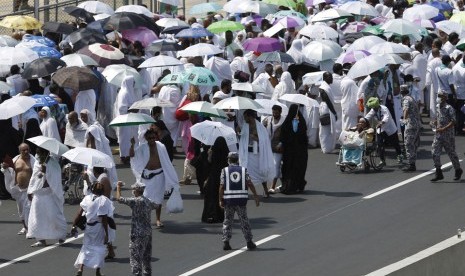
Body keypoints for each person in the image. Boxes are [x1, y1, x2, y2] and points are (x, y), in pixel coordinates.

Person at [130, 129, 180, 229]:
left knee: (158, 199)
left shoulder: (161, 146)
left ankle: (158, 219)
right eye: (149, 138)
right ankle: (146, 219)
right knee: (145, 198)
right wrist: (132, 145)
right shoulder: (143, 147)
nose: (152, 140)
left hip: (159, 175)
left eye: (153, 137)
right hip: (147, 176)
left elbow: (166, 161)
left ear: (156, 137)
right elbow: (132, 155)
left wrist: (170, 175)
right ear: (146, 139)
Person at [26, 146, 67, 247]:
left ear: (46, 153)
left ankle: (61, 235)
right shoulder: (37, 162)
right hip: (38, 194)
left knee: (54, 215)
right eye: (38, 154)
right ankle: (41, 239)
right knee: (37, 217)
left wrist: (46, 171)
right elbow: (35, 178)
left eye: (41, 153)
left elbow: (54, 180)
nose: (39, 156)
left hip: (50, 194)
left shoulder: (53, 164)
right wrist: (29, 191)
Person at [115, 181, 158, 276]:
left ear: (137, 190)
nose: (133, 191)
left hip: (137, 234)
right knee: (146, 257)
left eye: (134, 189)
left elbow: (119, 199)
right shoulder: (147, 201)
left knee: (135, 258)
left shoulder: (135, 201)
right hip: (147, 232)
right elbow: (157, 205)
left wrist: (118, 187)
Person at [220, 152, 260, 251]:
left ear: (228, 160)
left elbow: (221, 186)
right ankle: (249, 242)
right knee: (244, 220)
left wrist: (220, 199)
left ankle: (226, 242)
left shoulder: (224, 170)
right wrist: (255, 196)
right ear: (238, 160)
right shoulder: (243, 170)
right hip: (241, 200)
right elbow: (249, 183)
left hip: (229, 200)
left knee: (228, 220)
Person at [73, 182, 113, 276]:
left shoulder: (87, 198)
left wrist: (74, 225)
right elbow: (103, 219)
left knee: (86, 247)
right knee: (99, 248)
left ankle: (80, 269)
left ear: (92, 190)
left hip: (89, 227)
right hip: (98, 228)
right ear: (102, 191)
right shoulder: (104, 201)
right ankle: (97, 272)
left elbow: (79, 214)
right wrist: (107, 234)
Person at [238, 109, 275, 198]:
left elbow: (265, 140)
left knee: (261, 173)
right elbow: (242, 139)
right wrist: (240, 133)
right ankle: (244, 192)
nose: (244, 119)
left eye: (246, 117)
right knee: (246, 173)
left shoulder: (260, 127)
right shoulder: (245, 126)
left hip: (258, 155)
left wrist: (256, 138)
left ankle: (266, 191)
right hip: (248, 154)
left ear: (250, 117)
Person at [1, 143, 35, 235]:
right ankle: (25, 227)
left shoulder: (33, 161)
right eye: (23, 150)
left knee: (29, 209)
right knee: (21, 211)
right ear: (20, 151)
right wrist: (5, 167)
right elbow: (8, 170)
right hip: (18, 189)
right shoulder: (15, 160)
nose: (26, 151)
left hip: (29, 190)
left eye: (27, 149)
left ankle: (31, 229)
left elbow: (37, 174)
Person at [430, 91, 463, 181]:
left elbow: (453, 121)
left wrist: (444, 128)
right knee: (434, 152)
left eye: (440, 96)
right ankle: (438, 172)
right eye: (438, 96)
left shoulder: (449, 108)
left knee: (451, 153)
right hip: (438, 134)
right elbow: (438, 118)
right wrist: (434, 122)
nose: (438, 97)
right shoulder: (437, 107)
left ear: (445, 97)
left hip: (448, 135)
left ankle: (458, 169)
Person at [364, 97, 403, 166]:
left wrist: (381, 122)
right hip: (380, 129)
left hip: (389, 128)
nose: (373, 109)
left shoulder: (384, 108)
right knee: (380, 145)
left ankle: (400, 155)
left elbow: (386, 117)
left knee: (395, 143)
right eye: (372, 108)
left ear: (377, 105)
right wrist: (362, 121)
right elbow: (368, 116)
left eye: (374, 107)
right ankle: (382, 160)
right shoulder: (373, 110)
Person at [280, 104, 308, 194]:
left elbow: (303, 135)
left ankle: (298, 185)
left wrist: (297, 127)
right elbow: (283, 134)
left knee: (298, 168)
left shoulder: (301, 121)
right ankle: (287, 186)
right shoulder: (287, 122)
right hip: (289, 151)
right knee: (288, 168)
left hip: (299, 151)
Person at [202, 137, 229, 223]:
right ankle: (221, 215)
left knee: (211, 197)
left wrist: (209, 154)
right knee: (222, 196)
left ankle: (210, 214)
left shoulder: (213, 152)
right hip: (224, 177)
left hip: (213, 177)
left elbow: (208, 164)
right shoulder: (226, 153)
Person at [262, 105, 285, 193]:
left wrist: (281, 143)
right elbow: (263, 131)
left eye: (276, 112)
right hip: (269, 146)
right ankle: (284, 184)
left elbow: (285, 135)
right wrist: (263, 126)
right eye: (273, 112)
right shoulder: (268, 120)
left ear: (280, 112)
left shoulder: (284, 121)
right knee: (273, 166)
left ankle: (272, 186)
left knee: (276, 165)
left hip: (278, 147)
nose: (274, 114)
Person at [400, 85, 421, 172]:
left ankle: (411, 164)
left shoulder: (406, 99)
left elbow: (406, 109)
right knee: (414, 144)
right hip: (416, 124)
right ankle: (412, 163)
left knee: (408, 144)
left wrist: (404, 119)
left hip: (410, 124)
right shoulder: (411, 98)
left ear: (401, 92)